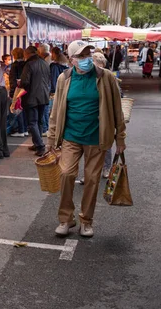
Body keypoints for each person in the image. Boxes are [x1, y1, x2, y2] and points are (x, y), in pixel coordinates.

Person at [48, 40, 126, 238]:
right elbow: (56, 111)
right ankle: (66, 219)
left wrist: (120, 139)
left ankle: (86, 220)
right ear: (71, 59)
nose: (85, 59)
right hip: (70, 136)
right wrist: (51, 139)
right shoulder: (63, 78)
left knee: (91, 180)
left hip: (97, 138)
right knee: (66, 174)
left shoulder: (106, 77)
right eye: (81, 56)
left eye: (87, 54)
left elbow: (117, 110)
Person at [20, 46, 51, 157]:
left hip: (32, 96)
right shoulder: (45, 63)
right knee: (39, 121)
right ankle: (37, 143)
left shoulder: (29, 64)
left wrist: (19, 83)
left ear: (27, 54)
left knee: (32, 122)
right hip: (43, 96)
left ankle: (40, 146)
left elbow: (24, 82)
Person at [9, 47, 28, 137]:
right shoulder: (26, 64)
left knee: (18, 108)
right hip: (25, 89)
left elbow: (12, 79)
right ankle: (25, 129)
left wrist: (12, 92)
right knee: (23, 109)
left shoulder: (14, 65)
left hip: (17, 89)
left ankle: (21, 130)